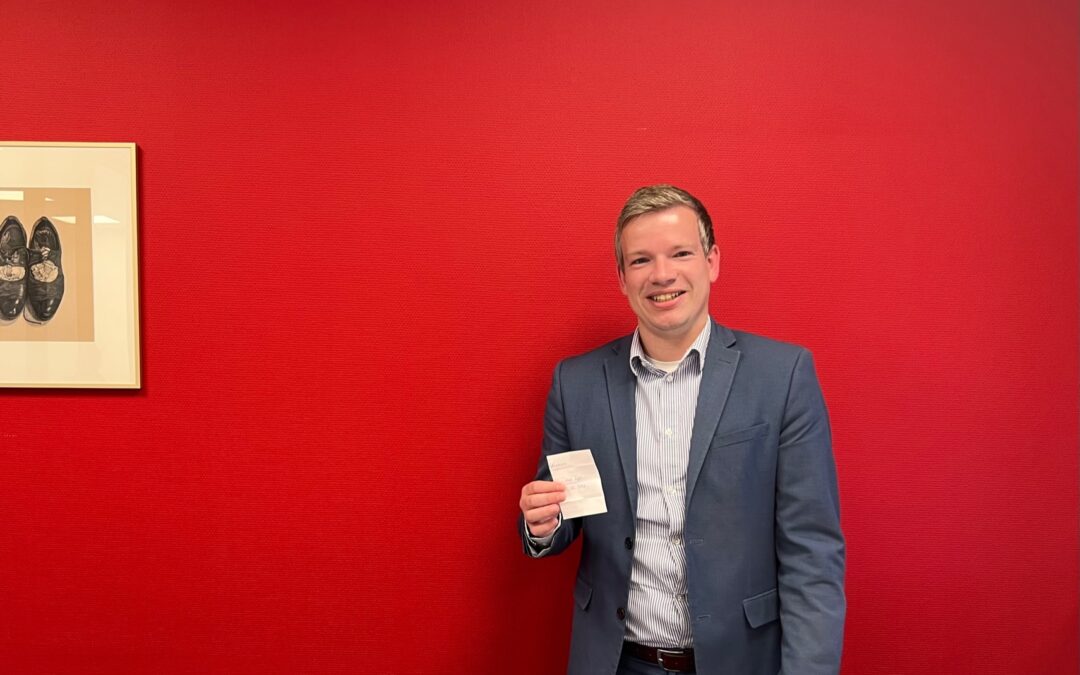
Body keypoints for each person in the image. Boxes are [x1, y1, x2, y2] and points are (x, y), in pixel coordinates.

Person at [518, 185, 845, 675]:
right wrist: (542, 525)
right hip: (614, 661)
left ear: (712, 262)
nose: (662, 274)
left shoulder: (783, 376)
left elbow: (813, 553)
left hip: (740, 661)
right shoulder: (576, 383)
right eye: (641, 260)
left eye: (680, 253)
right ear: (622, 279)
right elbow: (565, 514)